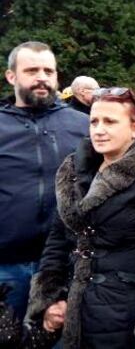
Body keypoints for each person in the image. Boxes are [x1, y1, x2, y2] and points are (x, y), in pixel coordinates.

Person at [25, 87, 135, 348]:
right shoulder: (75, 169)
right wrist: (49, 297)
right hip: (75, 306)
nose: (99, 129)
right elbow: (58, 238)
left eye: (110, 121)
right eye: (94, 121)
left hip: (129, 310)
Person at [0, 42, 89, 322]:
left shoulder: (82, 125)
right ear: (11, 76)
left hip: (66, 264)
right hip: (6, 265)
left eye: (48, 70)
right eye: (32, 70)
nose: (42, 77)